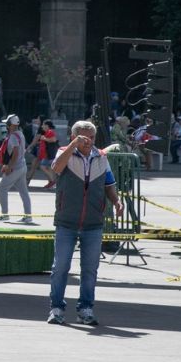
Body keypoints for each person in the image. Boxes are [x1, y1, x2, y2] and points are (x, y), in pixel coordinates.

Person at [46, 120, 124, 326]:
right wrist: (72, 147)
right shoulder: (64, 152)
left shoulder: (101, 157)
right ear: (73, 137)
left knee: (90, 269)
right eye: (83, 137)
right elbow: (56, 169)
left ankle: (86, 308)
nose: (88, 141)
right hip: (66, 221)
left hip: (93, 222)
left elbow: (109, 184)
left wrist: (116, 201)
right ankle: (56, 308)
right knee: (61, 267)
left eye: (91, 137)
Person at [0, 115, 32, 223]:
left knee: (1, 189)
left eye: (7, 123)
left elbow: (15, 153)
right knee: (24, 192)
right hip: (22, 166)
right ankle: (28, 216)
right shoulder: (20, 134)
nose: (6, 125)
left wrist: (9, 167)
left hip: (15, 168)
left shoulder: (13, 136)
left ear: (11, 125)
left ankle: (5, 214)